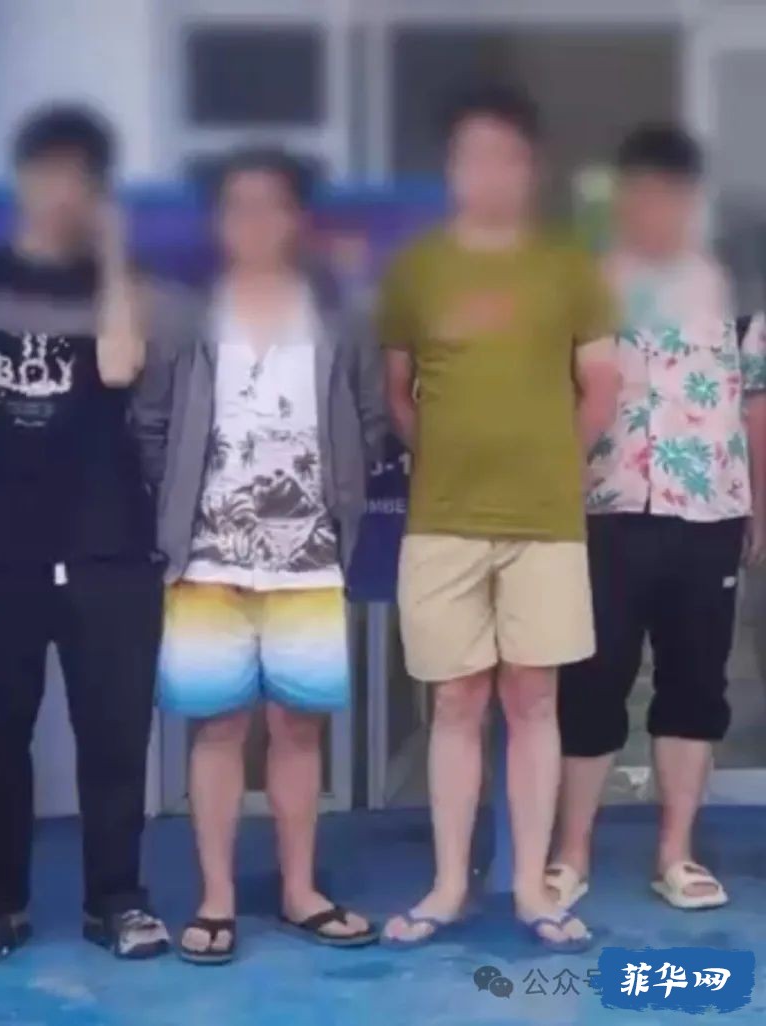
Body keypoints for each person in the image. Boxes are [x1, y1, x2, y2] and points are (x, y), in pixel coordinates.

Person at [377, 85, 621, 951]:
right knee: (454, 700)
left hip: (544, 521)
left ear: (530, 168)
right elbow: (398, 394)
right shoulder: (415, 269)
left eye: (503, 156)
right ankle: (449, 884)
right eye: (470, 156)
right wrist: (450, 456)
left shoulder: (570, 267)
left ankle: (530, 887)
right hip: (442, 518)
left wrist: (552, 462)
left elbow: (601, 387)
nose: (487, 172)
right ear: (451, 168)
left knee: (533, 698)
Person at [136, 147, 385, 965]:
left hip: (309, 555)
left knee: (298, 728)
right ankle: (216, 898)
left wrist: (336, 496)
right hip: (207, 557)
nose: (255, 223)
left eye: (271, 206)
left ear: (298, 219)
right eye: (237, 206)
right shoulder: (187, 315)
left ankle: (300, 890)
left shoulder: (338, 313)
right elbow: (151, 422)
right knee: (217, 729)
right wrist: (181, 507)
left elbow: (369, 416)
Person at [0, 106, 169, 964]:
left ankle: (118, 901)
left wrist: (110, 251)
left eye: (78, 177)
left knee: (113, 734)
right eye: (46, 173)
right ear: (21, 179)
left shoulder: (121, 280)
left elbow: (118, 363)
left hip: (107, 541)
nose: (59, 191)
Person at [548, 125, 766, 912]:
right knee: (591, 683)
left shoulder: (736, 290)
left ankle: (676, 854)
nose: (654, 208)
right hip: (603, 509)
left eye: (670, 194)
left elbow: (756, 402)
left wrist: (759, 506)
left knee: (694, 686)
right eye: (640, 193)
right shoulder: (583, 285)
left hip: (708, 510)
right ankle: (569, 853)